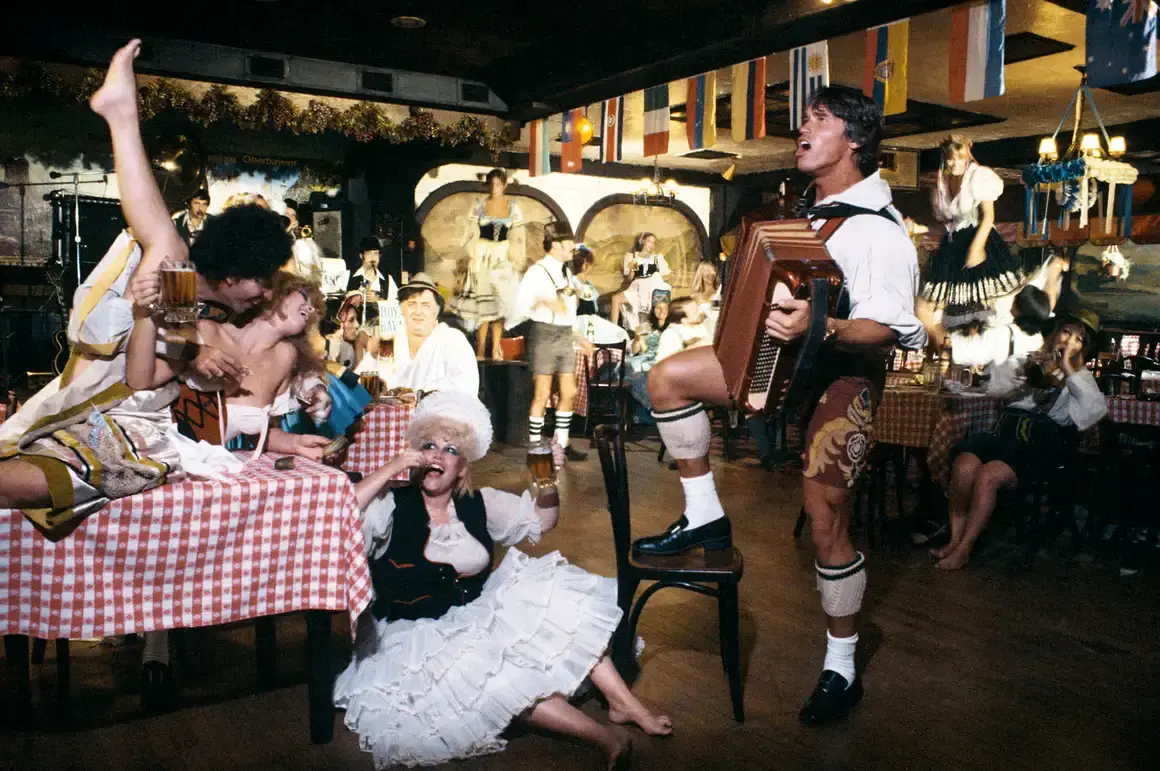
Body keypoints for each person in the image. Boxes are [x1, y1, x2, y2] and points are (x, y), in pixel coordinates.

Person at [632, 86, 926, 725]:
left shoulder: (879, 230)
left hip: (843, 378)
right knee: (666, 379)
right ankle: (705, 516)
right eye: (805, 117)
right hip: (781, 363)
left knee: (825, 518)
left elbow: (886, 328)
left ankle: (841, 667)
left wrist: (819, 326)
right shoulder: (804, 213)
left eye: (820, 118)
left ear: (854, 139)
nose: (802, 127)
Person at [0, 40, 327, 537]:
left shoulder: (190, 307)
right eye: (261, 281)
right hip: (96, 402)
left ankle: (121, 114)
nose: (265, 295)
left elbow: (148, 371)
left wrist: (174, 339)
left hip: (109, 412)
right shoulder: (180, 275)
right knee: (168, 245)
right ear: (231, 273)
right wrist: (176, 338)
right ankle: (121, 114)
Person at [334, 390, 671, 769]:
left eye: (450, 449)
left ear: (463, 467)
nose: (436, 455)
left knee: (553, 595)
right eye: (429, 446)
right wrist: (390, 468)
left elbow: (543, 522)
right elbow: (340, 515)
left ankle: (624, 703)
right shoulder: (389, 505)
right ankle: (605, 738)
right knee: (492, 677)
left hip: (475, 613)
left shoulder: (481, 503)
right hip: (415, 634)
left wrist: (547, 481)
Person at [934, 310, 1107, 570]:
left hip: (1039, 440)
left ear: (1086, 348)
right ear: (1055, 333)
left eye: (1079, 339)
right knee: (964, 466)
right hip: (1005, 429)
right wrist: (1020, 376)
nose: (1069, 341)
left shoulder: (1080, 377)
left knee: (988, 476)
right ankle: (954, 540)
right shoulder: (1030, 358)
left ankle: (965, 549)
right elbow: (996, 391)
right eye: (1066, 332)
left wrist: (1068, 368)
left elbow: (1092, 413)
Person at [918, 134, 1024, 333]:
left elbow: (989, 217)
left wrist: (977, 247)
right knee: (947, 305)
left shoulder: (979, 176)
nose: (954, 163)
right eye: (950, 158)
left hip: (979, 239)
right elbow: (949, 225)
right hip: (954, 246)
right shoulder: (942, 183)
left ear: (968, 154)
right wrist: (920, 229)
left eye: (959, 157)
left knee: (985, 301)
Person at [514, 223, 591, 461]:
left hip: (565, 335)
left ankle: (562, 443)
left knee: (569, 391)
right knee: (542, 392)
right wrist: (545, 301)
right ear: (555, 245)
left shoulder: (566, 272)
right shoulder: (537, 272)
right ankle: (535, 446)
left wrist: (578, 336)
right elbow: (521, 305)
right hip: (544, 334)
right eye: (568, 243)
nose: (572, 248)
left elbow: (569, 311)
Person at [449, 168, 525, 361]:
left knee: (500, 303)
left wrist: (516, 259)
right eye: (492, 184)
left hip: (502, 255)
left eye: (498, 184)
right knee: (483, 305)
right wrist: (469, 255)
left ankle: (496, 349)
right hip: (482, 254)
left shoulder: (513, 207)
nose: (495, 188)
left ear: (504, 185)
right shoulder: (480, 205)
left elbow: (519, 235)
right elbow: (469, 231)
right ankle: (481, 349)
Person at [380, 273, 479, 395]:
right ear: (402, 310)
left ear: (436, 311)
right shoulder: (391, 340)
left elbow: (465, 388)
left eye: (425, 305)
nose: (418, 312)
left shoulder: (453, 340)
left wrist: (417, 396)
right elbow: (368, 382)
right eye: (411, 304)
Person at [610, 233, 671, 329]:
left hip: (653, 289)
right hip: (637, 288)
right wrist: (632, 269)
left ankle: (659, 329)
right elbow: (630, 279)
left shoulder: (657, 258)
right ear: (642, 241)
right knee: (615, 298)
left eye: (653, 242)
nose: (651, 244)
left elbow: (668, 276)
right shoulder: (633, 257)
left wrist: (653, 279)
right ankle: (613, 328)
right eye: (649, 241)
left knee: (660, 308)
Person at [572, 244, 629, 346]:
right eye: (590, 263)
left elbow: (594, 304)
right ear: (585, 264)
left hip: (592, 318)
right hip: (581, 320)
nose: (592, 266)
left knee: (620, 334)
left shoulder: (587, 283)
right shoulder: (574, 281)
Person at [347, 236, 399, 301]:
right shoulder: (347, 276)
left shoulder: (388, 279)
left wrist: (378, 299)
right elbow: (336, 299)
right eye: (368, 254)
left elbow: (396, 304)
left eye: (376, 254)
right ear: (361, 256)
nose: (373, 258)